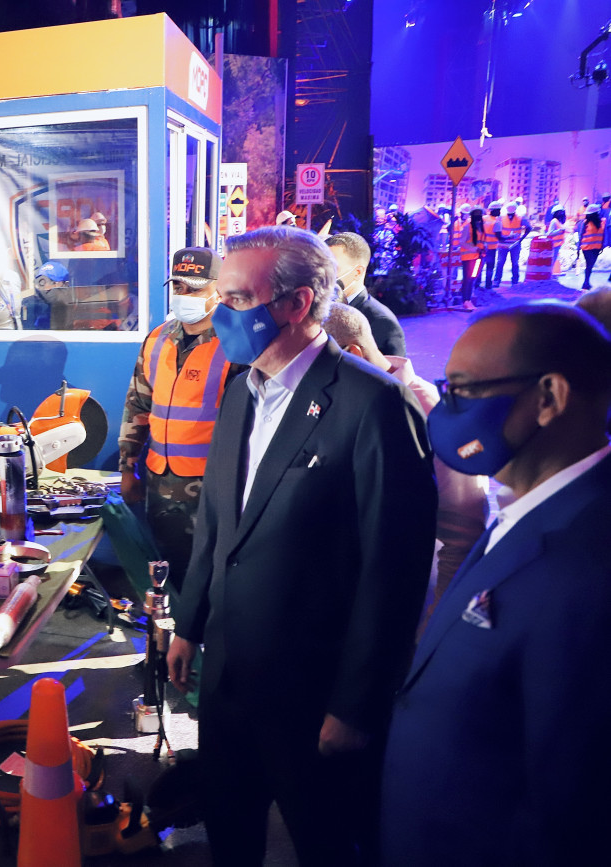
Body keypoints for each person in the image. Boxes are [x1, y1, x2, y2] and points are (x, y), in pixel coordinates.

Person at [165, 226, 437, 867]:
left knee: (326, 842)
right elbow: (217, 522)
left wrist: (357, 706)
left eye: (236, 299)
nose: (218, 314)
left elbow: (394, 572)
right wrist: (189, 624)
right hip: (229, 678)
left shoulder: (374, 405)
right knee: (230, 831)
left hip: (314, 691)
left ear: (296, 303)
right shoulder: (241, 391)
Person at [380, 302, 611, 865]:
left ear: (549, 397)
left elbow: (572, 803)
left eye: (463, 390)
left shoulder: (589, 562)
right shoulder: (528, 507)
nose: (446, 409)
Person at [322, 304, 487, 619]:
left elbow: (463, 533)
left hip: (410, 607)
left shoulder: (431, 412)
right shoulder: (346, 400)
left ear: (352, 355)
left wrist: (435, 623)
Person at [118, 248, 238, 582]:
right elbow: (137, 407)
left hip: (214, 486)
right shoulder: (157, 339)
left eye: (194, 288)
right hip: (160, 483)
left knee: (211, 575)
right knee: (167, 573)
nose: (183, 295)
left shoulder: (237, 343)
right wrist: (128, 467)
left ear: (219, 289)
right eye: (178, 286)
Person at [323, 232, 407, 356]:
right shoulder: (318, 308)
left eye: (332, 268)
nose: (323, 274)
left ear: (357, 272)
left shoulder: (381, 321)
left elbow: (391, 368)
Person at [494, 200, 530, 286]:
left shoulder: (520, 218)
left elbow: (529, 228)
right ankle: (501, 280)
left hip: (513, 244)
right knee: (502, 263)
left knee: (512, 263)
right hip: (504, 244)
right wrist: (521, 239)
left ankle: (511, 281)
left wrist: (521, 239)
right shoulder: (501, 218)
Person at [459, 208, 486, 310]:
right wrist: (474, 249)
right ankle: (465, 300)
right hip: (468, 258)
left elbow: (481, 241)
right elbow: (462, 242)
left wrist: (484, 247)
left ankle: (468, 300)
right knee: (467, 279)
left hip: (478, 257)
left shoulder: (481, 228)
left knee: (472, 279)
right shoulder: (468, 227)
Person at [579, 206, 604, 290]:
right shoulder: (585, 223)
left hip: (596, 248)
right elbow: (581, 235)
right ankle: (586, 283)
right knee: (589, 265)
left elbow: (603, 235)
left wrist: (602, 246)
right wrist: (578, 248)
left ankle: (586, 282)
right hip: (586, 248)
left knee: (590, 266)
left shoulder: (602, 222)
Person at [481, 200, 503, 292]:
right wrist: (510, 237)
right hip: (491, 248)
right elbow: (499, 237)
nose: (500, 212)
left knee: (479, 267)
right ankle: (488, 285)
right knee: (490, 267)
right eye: (498, 210)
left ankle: (476, 284)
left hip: (481, 247)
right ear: (494, 211)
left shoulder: (483, 218)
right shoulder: (496, 222)